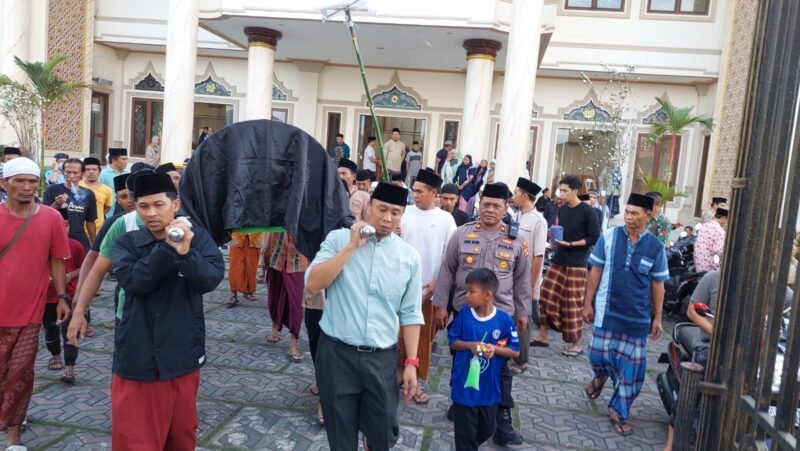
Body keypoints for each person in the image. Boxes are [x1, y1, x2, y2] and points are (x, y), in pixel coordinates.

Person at [110, 172, 225, 450]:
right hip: (139, 357)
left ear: (175, 204)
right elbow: (136, 282)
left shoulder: (198, 238)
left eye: (158, 204)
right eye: (143, 206)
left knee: (182, 437)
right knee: (136, 441)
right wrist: (167, 247)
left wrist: (186, 253)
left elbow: (210, 279)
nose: (151, 213)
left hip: (183, 354)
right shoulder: (127, 242)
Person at [305, 182, 423, 451]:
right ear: (368, 206)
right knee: (341, 438)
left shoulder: (409, 257)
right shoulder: (338, 239)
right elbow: (313, 284)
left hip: (381, 359)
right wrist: (351, 248)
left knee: (382, 437)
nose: (387, 218)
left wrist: (411, 362)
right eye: (382, 209)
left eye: (395, 212)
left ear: (402, 215)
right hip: (337, 356)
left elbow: (410, 313)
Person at [434, 183, 532, 446]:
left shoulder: (516, 240)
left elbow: (522, 280)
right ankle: (461, 403)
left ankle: (502, 420)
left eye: (496, 205)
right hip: (465, 314)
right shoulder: (462, 234)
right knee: (462, 360)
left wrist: (523, 311)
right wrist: (441, 305)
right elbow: (447, 269)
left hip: (501, 317)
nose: (490, 209)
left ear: (505, 207)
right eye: (486, 204)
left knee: (501, 369)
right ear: (479, 204)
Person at [583, 193, 669, 436]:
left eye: (634, 214)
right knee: (597, 354)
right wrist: (587, 303)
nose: (629, 217)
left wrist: (658, 318)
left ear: (648, 215)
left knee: (632, 370)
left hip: (637, 318)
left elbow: (658, 284)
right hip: (606, 312)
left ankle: (618, 411)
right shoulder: (609, 237)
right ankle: (600, 376)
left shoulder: (656, 247)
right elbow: (595, 271)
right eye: (627, 212)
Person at [0, 157, 71, 450]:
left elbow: (57, 260)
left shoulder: (51, 218)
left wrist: (63, 297)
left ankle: (14, 435)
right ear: (4, 184)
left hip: (30, 311)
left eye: (32, 181)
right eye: (19, 180)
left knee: (21, 373)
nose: (27, 187)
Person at [399, 169, 456, 405]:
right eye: (413, 191)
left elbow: (449, 257)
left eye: (419, 191)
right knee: (395, 336)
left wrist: (437, 283)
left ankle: (416, 381)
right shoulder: (403, 213)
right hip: (399, 288)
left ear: (434, 193)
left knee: (422, 339)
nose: (414, 195)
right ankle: (397, 376)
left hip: (427, 291)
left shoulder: (446, 220)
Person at [449, 269, 520, 451]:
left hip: (489, 390)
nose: (467, 295)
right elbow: (453, 341)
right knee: (465, 438)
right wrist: (470, 345)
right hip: (464, 388)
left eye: (471, 291)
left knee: (488, 429)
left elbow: (515, 351)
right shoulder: (464, 315)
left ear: (487, 295)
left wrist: (495, 349)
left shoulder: (504, 321)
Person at [534, 176, 600, 356]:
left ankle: (576, 344)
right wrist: (555, 242)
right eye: (560, 190)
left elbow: (594, 237)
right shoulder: (562, 209)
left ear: (575, 191)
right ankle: (543, 335)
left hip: (577, 263)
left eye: (565, 191)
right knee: (546, 295)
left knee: (572, 303)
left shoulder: (588, 211)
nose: (561, 194)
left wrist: (572, 244)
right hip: (559, 258)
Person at [42, 210, 86, 384]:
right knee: (50, 331)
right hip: (47, 299)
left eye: (66, 225)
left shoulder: (76, 246)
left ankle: (69, 369)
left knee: (71, 332)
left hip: (71, 296)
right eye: (59, 225)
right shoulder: (41, 246)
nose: (63, 228)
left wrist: (70, 276)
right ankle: (55, 355)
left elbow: (85, 267)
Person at [509, 178, 547, 374]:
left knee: (522, 319)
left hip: (526, 279)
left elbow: (539, 256)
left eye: (516, 192)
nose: (513, 196)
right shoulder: (516, 216)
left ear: (524, 195)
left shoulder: (539, 221)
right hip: (511, 274)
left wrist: (531, 285)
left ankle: (521, 361)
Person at [264, 232, 308, 362]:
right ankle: (274, 327)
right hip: (276, 256)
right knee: (274, 296)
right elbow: (267, 231)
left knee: (296, 304)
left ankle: (293, 345)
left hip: (297, 261)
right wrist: (263, 257)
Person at [43, 158, 98, 250]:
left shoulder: (88, 194)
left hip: (79, 239)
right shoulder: (52, 190)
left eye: (75, 173)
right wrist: (56, 204)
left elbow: (90, 221)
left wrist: (94, 245)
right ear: (63, 172)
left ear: (82, 174)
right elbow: (43, 216)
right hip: (55, 238)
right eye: (68, 172)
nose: (71, 176)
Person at [227, 232, 263, 306]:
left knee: (251, 267)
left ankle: (250, 291)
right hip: (237, 235)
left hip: (254, 236)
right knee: (235, 266)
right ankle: (233, 293)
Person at [80, 157, 114, 231]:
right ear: (83, 172)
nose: (91, 172)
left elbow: (107, 207)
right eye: (88, 169)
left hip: (98, 228)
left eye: (94, 169)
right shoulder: (77, 186)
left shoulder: (107, 189)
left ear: (99, 171)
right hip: (79, 229)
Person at [694, 208, 727, 273]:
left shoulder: (704, 225)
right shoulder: (720, 231)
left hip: (698, 261)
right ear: (723, 218)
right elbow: (718, 250)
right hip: (710, 265)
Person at [100, 148, 130, 218]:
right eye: (123, 159)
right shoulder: (103, 174)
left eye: (126, 159)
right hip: (109, 214)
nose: (126, 162)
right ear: (114, 160)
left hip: (125, 213)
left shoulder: (127, 173)